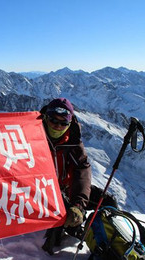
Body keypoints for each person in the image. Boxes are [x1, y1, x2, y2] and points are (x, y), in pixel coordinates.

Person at [39, 98, 92, 255]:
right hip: (41, 192)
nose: (57, 126)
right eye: (53, 120)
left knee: (107, 202)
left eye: (63, 123)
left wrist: (79, 204)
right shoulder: (32, 135)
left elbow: (82, 170)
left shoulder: (72, 142)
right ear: (46, 118)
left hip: (66, 189)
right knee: (64, 216)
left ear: (69, 123)